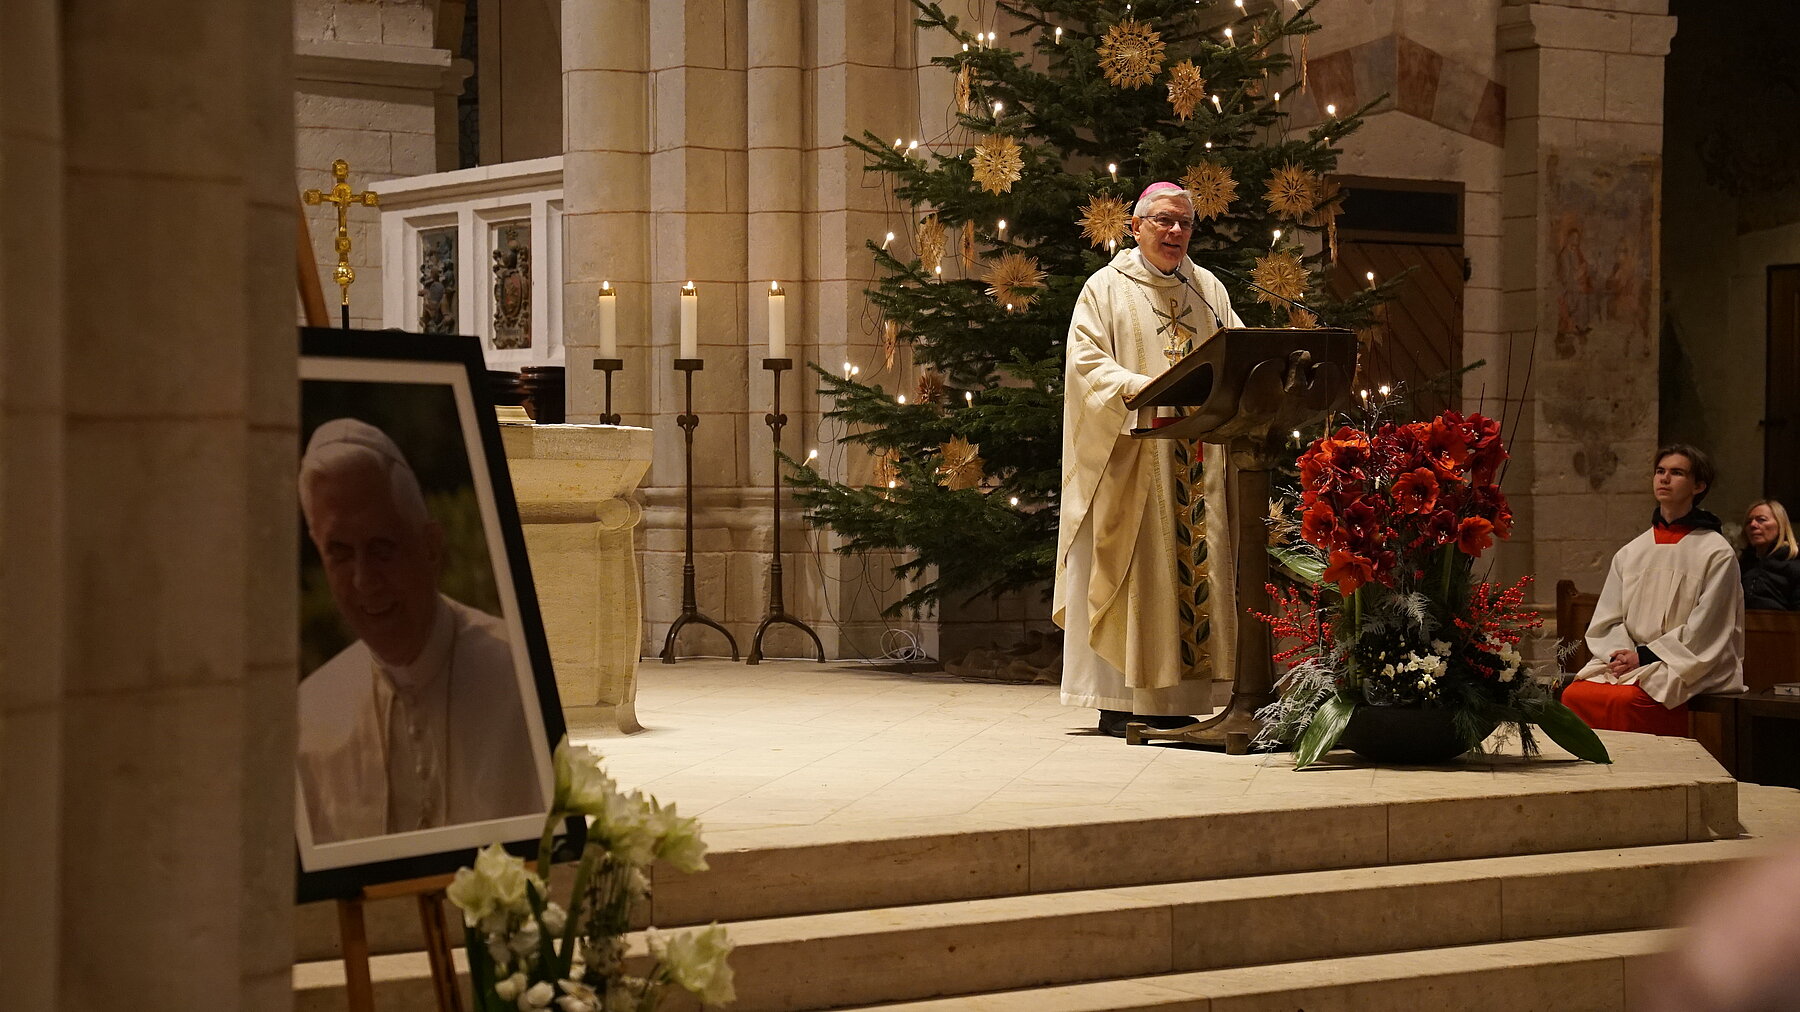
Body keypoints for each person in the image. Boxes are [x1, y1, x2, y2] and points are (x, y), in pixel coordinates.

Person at [297, 418, 543, 844]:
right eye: (339, 553)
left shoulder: (523, 679)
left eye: (381, 548)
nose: (363, 580)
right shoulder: (309, 716)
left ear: (429, 546)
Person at [1054, 181, 1242, 737]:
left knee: (1190, 569)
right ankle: (1119, 698)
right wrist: (1146, 386)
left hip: (1198, 456)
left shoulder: (1207, 289)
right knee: (1136, 569)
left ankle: (1181, 700)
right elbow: (1086, 365)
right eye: (1162, 221)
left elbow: (1238, 348)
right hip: (1134, 456)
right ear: (1136, 227)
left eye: (1183, 222)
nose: (1174, 232)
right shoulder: (1104, 289)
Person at [1564, 444, 1744, 736]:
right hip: (1633, 660)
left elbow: (1708, 628)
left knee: (1631, 701)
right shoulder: (1633, 552)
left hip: (1687, 661)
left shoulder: (1716, 553)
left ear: (1698, 486)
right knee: (1576, 694)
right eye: (1660, 471)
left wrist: (1646, 656)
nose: (1664, 479)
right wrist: (1622, 654)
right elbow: (1608, 619)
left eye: (1677, 473)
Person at [1739, 498, 1800, 610]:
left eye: (1761, 520)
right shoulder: (1742, 565)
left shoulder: (1795, 564)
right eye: (1748, 522)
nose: (1753, 525)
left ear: (1780, 525)